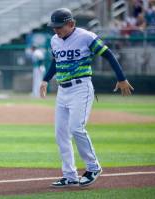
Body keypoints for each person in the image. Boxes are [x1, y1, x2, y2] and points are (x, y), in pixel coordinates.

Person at [40, 8, 134, 188]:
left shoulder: (86, 37)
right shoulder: (54, 40)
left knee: (76, 128)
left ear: (71, 24)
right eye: (54, 27)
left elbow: (108, 55)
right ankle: (70, 175)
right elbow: (56, 61)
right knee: (61, 134)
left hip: (80, 88)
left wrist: (121, 78)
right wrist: (45, 79)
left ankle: (93, 167)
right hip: (62, 90)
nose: (56, 30)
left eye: (59, 27)